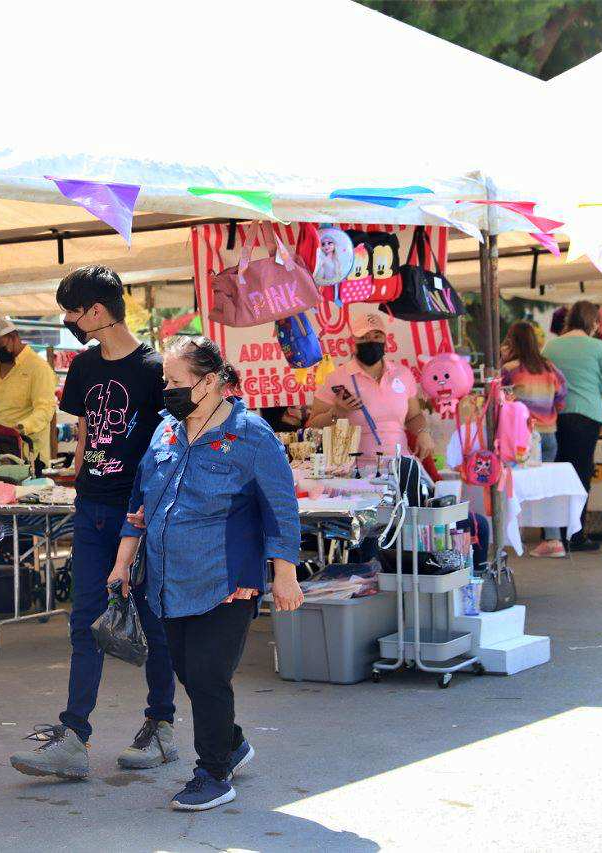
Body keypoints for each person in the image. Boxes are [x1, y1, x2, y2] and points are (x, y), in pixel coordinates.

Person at [109, 336, 303, 812]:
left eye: (176, 381)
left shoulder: (251, 435)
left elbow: (281, 508)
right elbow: (139, 504)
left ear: (212, 381)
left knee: (208, 674)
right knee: (187, 672)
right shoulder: (164, 433)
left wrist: (286, 574)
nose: (167, 390)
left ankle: (213, 772)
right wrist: (122, 563)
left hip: (228, 579)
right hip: (168, 580)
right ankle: (232, 743)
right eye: (165, 381)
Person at [9, 265, 177, 781]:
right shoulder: (83, 368)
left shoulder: (154, 370)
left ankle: (160, 727)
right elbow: (85, 428)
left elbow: (169, 445)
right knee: (84, 622)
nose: (69, 321)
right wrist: (78, 470)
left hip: (141, 515)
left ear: (97, 312)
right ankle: (73, 737)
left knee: (152, 621)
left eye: (72, 312)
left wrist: (150, 510)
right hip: (92, 510)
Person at [305, 311, 433, 464]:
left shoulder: (403, 374)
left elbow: (414, 417)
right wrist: (337, 412)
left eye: (377, 336)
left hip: (399, 464)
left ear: (385, 339)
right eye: (364, 337)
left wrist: (423, 432)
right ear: (353, 342)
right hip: (354, 471)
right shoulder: (335, 378)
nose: (371, 341)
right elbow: (311, 428)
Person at [543, 300, 602, 552]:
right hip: (586, 416)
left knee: (558, 472)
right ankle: (577, 534)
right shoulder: (598, 347)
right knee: (581, 474)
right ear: (592, 322)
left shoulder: (551, 346)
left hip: (554, 417)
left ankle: (554, 532)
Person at [501, 321, 568, 557]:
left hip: (522, 438)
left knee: (512, 486)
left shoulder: (510, 368)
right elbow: (562, 396)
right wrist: (550, 410)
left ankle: (511, 536)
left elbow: (499, 401)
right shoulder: (549, 367)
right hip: (549, 434)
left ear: (513, 342)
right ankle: (553, 541)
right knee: (546, 487)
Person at [0, 317, 58, 463]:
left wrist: (21, 428)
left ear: (13, 337)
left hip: (26, 454)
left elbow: (45, 410)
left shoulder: (38, 368)